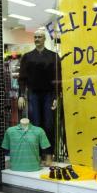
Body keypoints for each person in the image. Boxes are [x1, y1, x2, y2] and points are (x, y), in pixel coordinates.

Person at [18, 30, 61, 166]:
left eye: (39, 37)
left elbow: (57, 78)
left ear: (44, 39)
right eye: (35, 37)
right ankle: (37, 155)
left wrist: (56, 96)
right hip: (33, 94)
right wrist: (21, 95)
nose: (37, 39)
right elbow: (22, 78)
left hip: (48, 94)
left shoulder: (53, 56)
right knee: (35, 125)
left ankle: (48, 155)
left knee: (48, 124)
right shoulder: (27, 57)